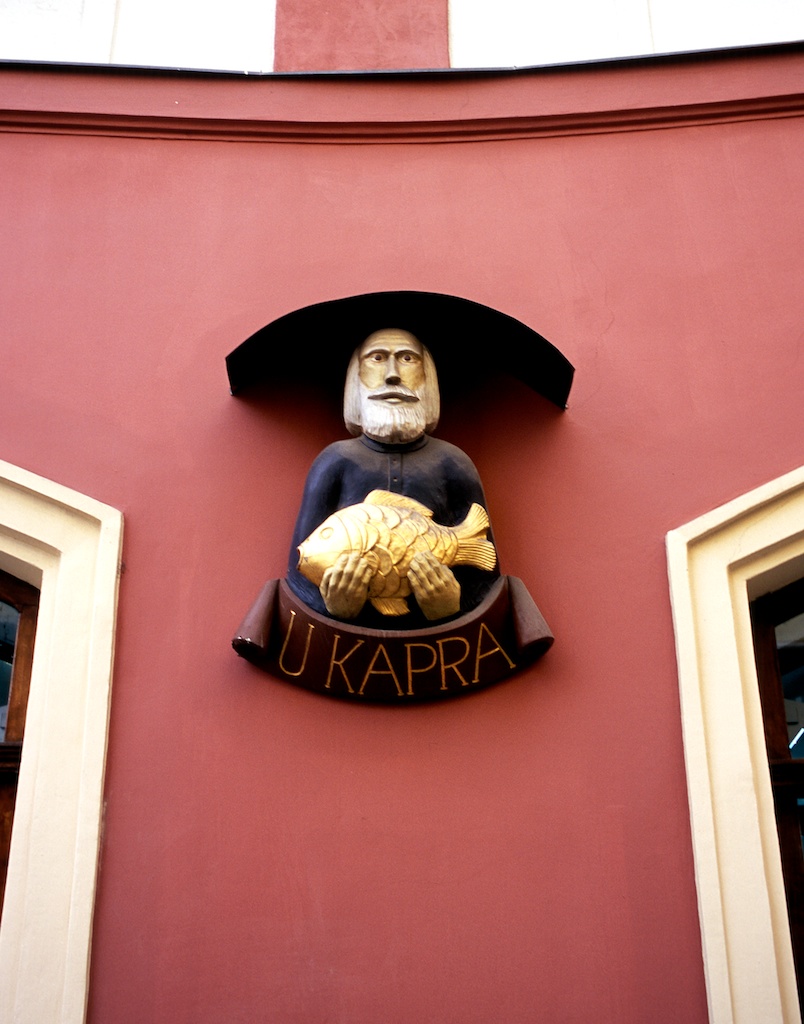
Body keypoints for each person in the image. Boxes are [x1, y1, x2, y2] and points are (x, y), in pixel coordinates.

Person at [287, 328, 500, 627]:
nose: (392, 375)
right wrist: (334, 604)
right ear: (356, 377)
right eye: (377, 358)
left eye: (407, 358)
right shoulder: (335, 461)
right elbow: (299, 575)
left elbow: (486, 578)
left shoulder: (452, 462)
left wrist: (450, 605)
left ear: (426, 377)